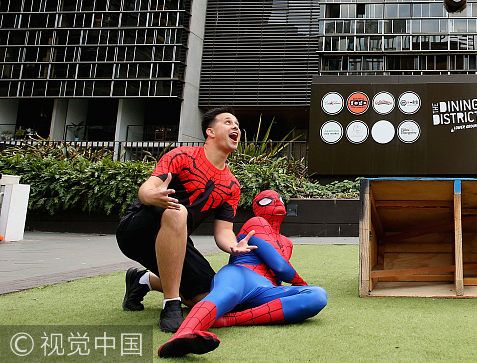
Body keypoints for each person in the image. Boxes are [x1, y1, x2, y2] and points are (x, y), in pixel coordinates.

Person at [117, 106, 255, 332]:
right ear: (210, 132)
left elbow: (223, 231)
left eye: (237, 125)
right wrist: (155, 196)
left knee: (207, 296)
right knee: (177, 210)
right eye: (228, 122)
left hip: (176, 241)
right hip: (137, 230)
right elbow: (145, 190)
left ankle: (142, 281)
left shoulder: (232, 185)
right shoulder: (182, 156)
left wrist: (234, 245)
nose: (235, 127)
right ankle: (170, 305)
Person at [158, 190, 328, 358]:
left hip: (266, 290)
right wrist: (301, 284)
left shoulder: (287, 243)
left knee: (318, 295)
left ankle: (228, 319)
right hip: (241, 274)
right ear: (257, 207)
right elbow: (281, 268)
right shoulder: (256, 223)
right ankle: (182, 334)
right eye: (267, 200)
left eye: (279, 199)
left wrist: (302, 289)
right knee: (224, 293)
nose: (276, 202)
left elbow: (281, 272)